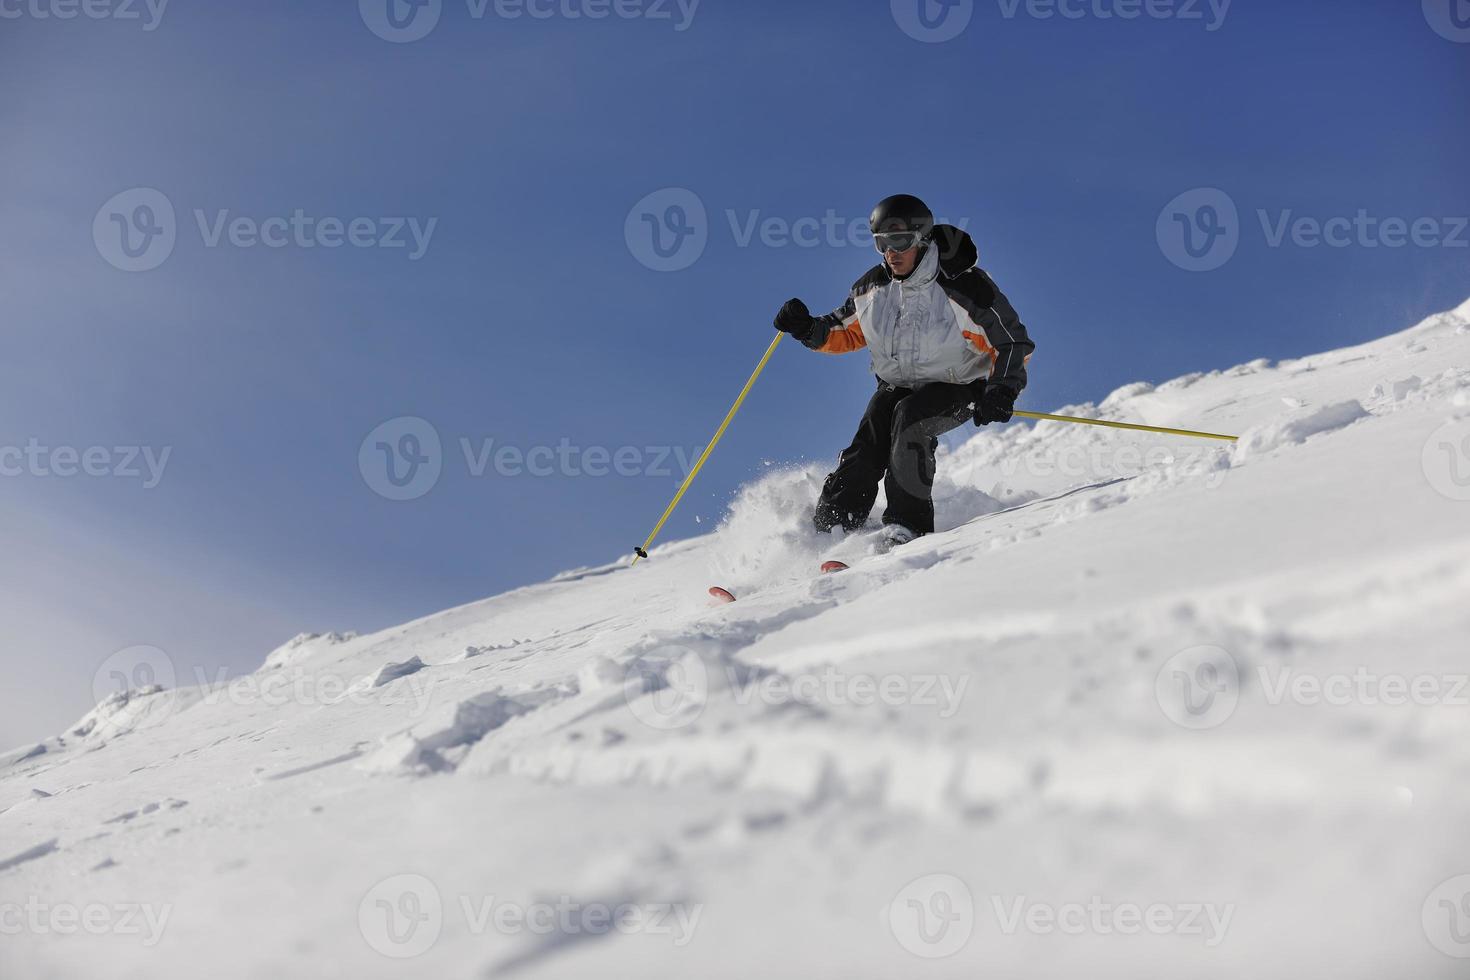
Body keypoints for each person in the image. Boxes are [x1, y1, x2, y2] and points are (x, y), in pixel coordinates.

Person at [774, 194, 1035, 547]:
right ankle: (832, 525)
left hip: (957, 385)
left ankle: (907, 527)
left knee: (910, 420)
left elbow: (1012, 343)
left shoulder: (962, 286)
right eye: (881, 243)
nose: (890, 252)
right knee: (870, 438)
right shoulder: (872, 288)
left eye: (899, 241)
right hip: (897, 385)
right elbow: (845, 331)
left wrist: (1001, 389)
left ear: (922, 239)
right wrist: (805, 327)